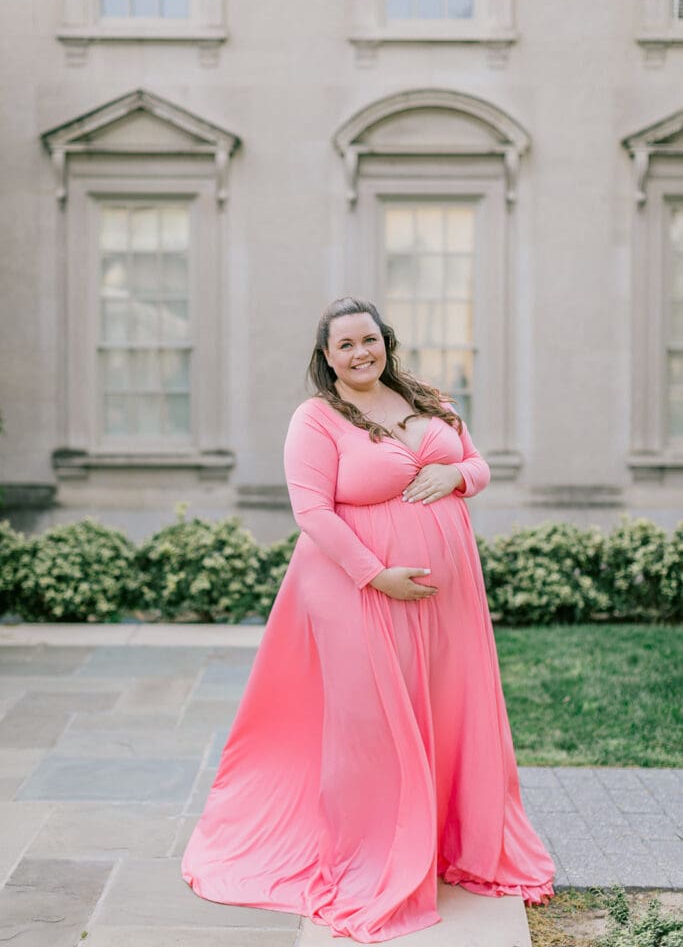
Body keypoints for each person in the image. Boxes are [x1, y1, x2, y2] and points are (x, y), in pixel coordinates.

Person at [181, 296, 556, 943]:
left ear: (385, 341)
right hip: (354, 588)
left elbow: (479, 463)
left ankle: (445, 844)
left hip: (448, 594)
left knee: (443, 708)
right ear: (326, 358)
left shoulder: (428, 397)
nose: (360, 353)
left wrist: (457, 477)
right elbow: (311, 512)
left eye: (368, 339)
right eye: (344, 345)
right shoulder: (317, 418)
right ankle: (377, 855)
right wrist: (373, 574)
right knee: (373, 723)